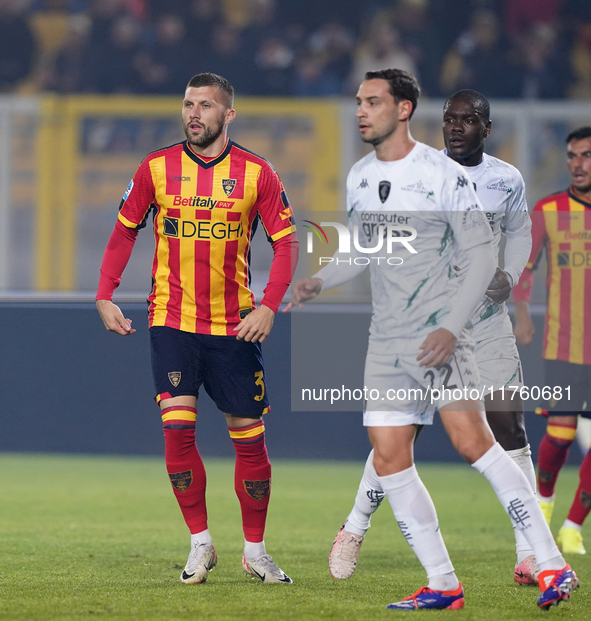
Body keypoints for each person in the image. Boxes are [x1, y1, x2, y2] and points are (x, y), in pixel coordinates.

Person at [287, 68, 578, 610]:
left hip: (438, 332)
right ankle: (442, 582)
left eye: (371, 101)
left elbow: (479, 258)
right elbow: (361, 248)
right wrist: (319, 279)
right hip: (387, 337)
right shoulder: (358, 176)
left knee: (479, 444)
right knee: (390, 454)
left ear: (402, 109)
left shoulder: (445, 175)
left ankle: (551, 565)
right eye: (358, 101)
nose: (360, 111)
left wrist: (449, 326)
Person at [325, 88, 540, 586]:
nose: (457, 126)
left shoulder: (506, 180)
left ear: (487, 128)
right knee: (400, 435)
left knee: (510, 428)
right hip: (427, 324)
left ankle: (529, 552)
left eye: (468, 120)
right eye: (449, 119)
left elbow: (522, 231)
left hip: (486, 323)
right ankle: (353, 528)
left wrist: (508, 272)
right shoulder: (417, 174)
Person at [96, 72, 298, 585]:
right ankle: (200, 544)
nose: (194, 113)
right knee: (177, 432)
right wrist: (104, 293)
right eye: (188, 104)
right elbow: (124, 230)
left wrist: (269, 306)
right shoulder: (156, 168)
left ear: (228, 115)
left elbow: (287, 244)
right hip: (172, 320)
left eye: (206, 105)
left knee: (249, 441)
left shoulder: (256, 173)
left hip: (235, 327)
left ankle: (255, 551)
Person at [514, 126, 591, 556]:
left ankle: (572, 528)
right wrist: (522, 312)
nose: (578, 164)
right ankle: (542, 507)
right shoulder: (548, 211)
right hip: (564, 345)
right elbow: (525, 267)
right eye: (572, 156)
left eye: (586, 156)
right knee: (559, 435)